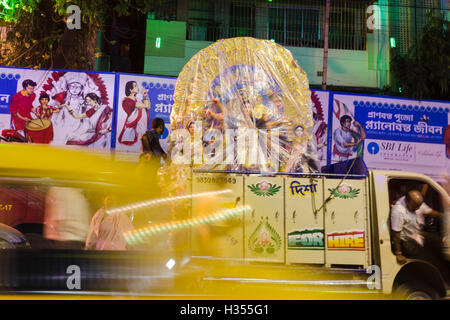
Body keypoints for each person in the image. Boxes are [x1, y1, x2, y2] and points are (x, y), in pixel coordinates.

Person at [391, 189, 443, 265]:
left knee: (438, 241)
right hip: (407, 240)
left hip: (417, 233)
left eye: (419, 206)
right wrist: (398, 254)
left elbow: (430, 212)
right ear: (407, 201)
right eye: (414, 206)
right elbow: (396, 234)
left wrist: (444, 216)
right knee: (426, 257)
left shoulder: (416, 202)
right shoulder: (398, 211)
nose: (417, 209)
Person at [118, 81, 151, 147]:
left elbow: (148, 107)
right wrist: (145, 96)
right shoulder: (127, 100)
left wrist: (146, 96)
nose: (137, 87)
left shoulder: (137, 99)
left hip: (140, 126)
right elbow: (145, 105)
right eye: (135, 86)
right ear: (130, 89)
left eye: (137, 85)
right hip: (132, 126)